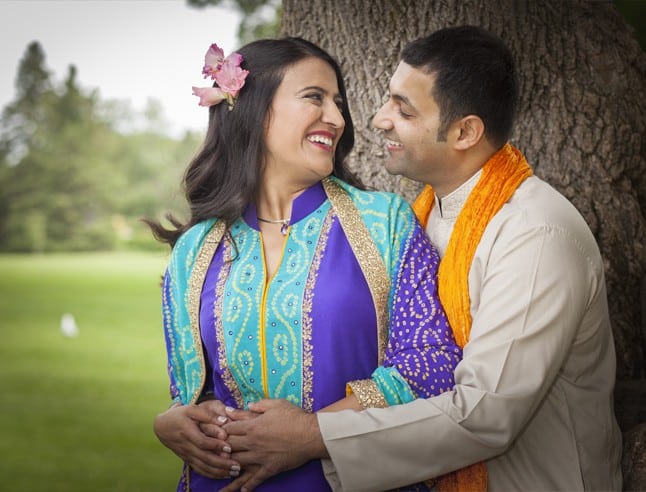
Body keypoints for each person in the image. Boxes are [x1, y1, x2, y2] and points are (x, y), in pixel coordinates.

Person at [219, 26, 623, 492]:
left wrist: (312, 435)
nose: (376, 120)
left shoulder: (534, 232)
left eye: (403, 109)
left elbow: (488, 413)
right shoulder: (421, 218)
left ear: (464, 131)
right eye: (389, 100)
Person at [147, 37, 462, 491]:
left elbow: (433, 362)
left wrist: (311, 433)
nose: (336, 118)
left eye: (338, 103)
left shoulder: (384, 223)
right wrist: (173, 420)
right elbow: (190, 390)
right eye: (315, 98)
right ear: (252, 107)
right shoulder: (194, 251)